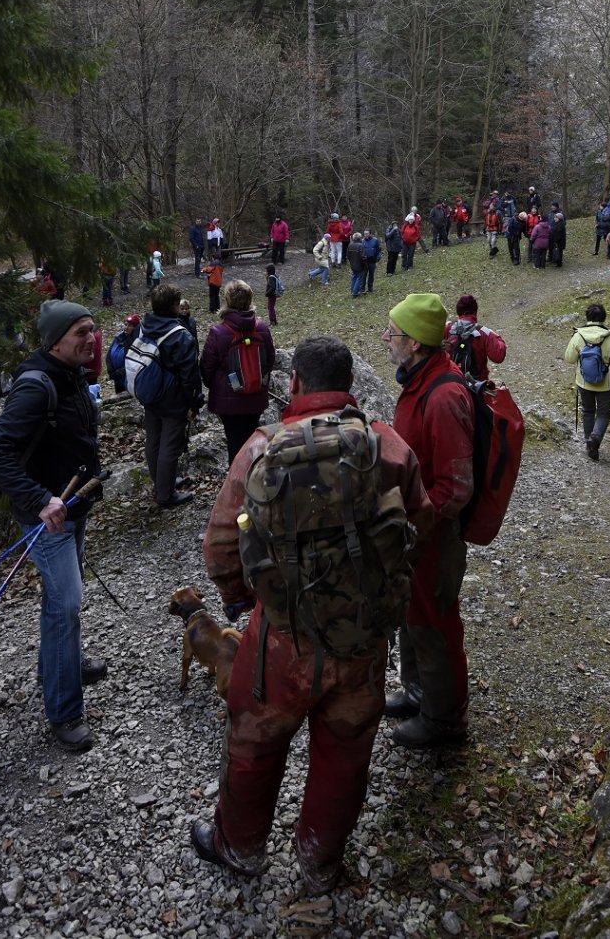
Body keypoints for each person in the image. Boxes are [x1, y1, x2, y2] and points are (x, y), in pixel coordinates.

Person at [193, 335, 432, 892]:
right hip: (362, 636)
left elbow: (220, 546)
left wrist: (244, 599)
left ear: (295, 382)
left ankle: (241, 848)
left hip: (281, 637)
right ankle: (318, 863)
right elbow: (421, 522)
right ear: (349, 384)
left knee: (254, 741)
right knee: (345, 753)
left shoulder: (260, 447)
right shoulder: (386, 444)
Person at [0, 300, 105, 752]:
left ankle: (61, 666)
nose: (91, 339)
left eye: (92, 329)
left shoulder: (72, 375)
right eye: (81, 332)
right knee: (66, 605)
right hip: (48, 520)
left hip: (73, 509)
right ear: (55, 341)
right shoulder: (36, 386)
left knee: (61, 601)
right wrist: (39, 499)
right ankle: (64, 710)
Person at [382, 293, 475, 748]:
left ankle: (444, 721)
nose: (386, 338)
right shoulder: (421, 380)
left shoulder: (442, 396)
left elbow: (456, 486)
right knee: (411, 614)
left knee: (436, 623)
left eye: (393, 332)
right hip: (415, 530)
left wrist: (417, 524)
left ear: (415, 342)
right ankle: (418, 692)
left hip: (432, 535)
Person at [139, 285, 202, 508]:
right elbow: (189, 375)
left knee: (153, 440)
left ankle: (161, 482)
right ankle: (165, 495)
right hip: (172, 397)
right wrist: (192, 402)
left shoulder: (143, 326)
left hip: (150, 392)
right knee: (170, 445)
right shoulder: (180, 335)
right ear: (175, 306)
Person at [200, 279, 275, 465]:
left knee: (234, 442)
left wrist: (216, 386)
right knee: (251, 438)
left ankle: (236, 478)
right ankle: (253, 475)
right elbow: (269, 360)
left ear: (227, 300)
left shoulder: (218, 332)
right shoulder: (262, 328)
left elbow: (207, 367)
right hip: (256, 396)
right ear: (250, 299)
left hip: (228, 401)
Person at [564, 303, 610, 461]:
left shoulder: (579, 336)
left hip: (584, 382)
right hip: (607, 384)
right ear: (603, 318)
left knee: (588, 410)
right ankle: (596, 438)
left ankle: (588, 442)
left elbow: (569, 358)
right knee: (604, 413)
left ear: (587, 317)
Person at [444, 295, 507, 382]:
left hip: (451, 382)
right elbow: (498, 357)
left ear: (458, 311)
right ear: (475, 312)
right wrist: (498, 338)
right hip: (477, 385)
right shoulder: (484, 333)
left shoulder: (448, 328)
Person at [107, 314, 141, 394]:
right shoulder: (118, 338)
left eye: (130, 325)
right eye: (125, 325)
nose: (126, 327)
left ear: (135, 328)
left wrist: (119, 372)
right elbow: (108, 355)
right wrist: (111, 370)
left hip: (129, 378)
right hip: (117, 378)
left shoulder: (137, 342)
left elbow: (135, 362)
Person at [347, 231, 367, 298]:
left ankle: (352, 291)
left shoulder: (350, 245)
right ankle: (355, 292)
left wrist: (351, 262)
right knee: (359, 278)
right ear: (359, 238)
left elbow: (348, 256)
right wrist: (365, 265)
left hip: (353, 264)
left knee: (354, 277)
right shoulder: (361, 246)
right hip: (360, 265)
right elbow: (363, 257)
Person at [547, 202, 567, 268]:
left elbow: (563, 223)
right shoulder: (549, 213)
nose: (552, 207)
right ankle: (551, 258)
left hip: (557, 237)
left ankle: (557, 261)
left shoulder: (560, 214)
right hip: (551, 232)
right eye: (552, 206)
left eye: (554, 206)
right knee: (550, 246)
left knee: (557, 249)